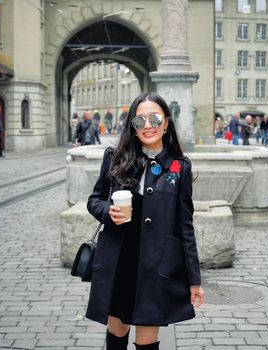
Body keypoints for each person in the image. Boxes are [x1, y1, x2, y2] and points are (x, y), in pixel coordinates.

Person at [86, 92, 204, 350]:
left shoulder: (179, 167)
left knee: (147, 342)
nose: (147, 125)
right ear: (132, 126)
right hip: (119, 262)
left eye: (154, 118)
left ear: (166, 123)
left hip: (156, 266)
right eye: (139, 121)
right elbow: (94, 200)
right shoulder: (115, 157)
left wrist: (194, 279)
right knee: (116, 336)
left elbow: (185, 226)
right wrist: (108, 212)